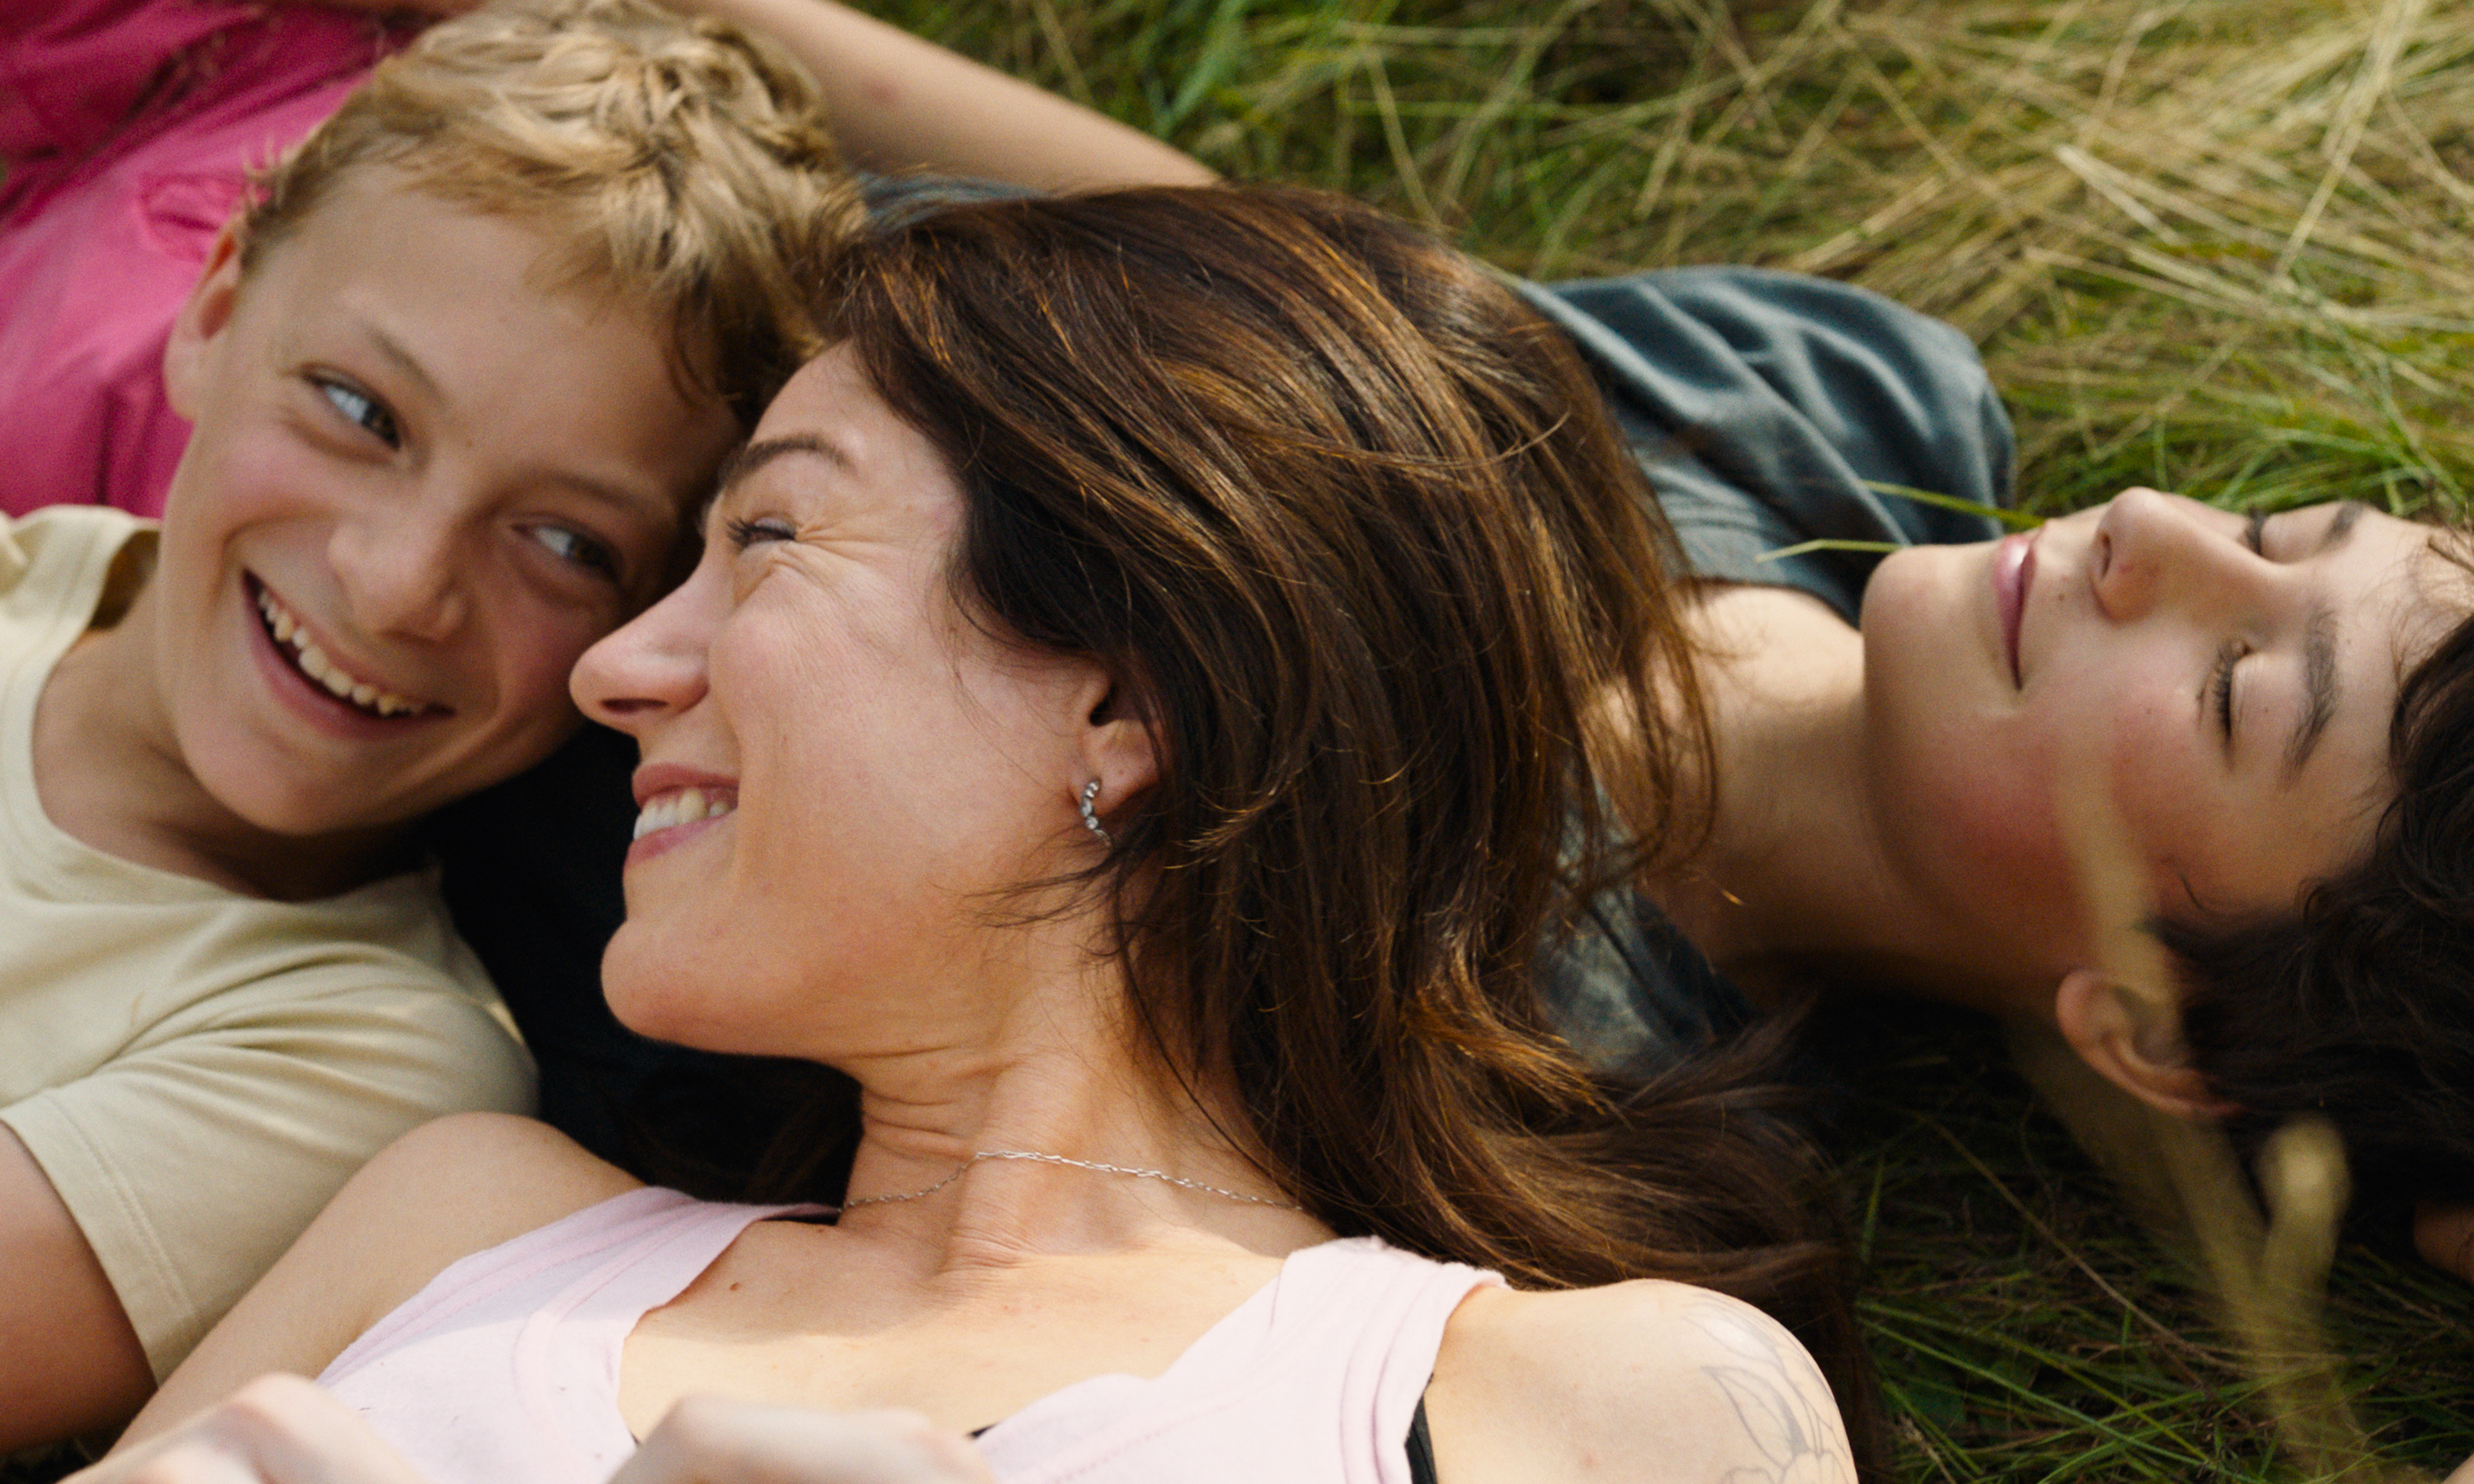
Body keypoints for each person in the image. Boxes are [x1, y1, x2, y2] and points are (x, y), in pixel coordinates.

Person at [79, 184, 1870, 1484]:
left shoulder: (1593, 1407)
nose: (616, 668)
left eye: (768, 540)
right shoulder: (461, 1224)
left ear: (1129, 701)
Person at [0, 0, 1215, 1453]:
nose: (395, 584)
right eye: (358, 411)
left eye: (564, 544)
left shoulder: (356, 1055)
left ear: (651, 621)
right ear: (211, 317)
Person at [1517, 270, 2474, 1252]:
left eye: (2230, 690)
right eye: (2271, 534)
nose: (2144, 519)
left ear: (2151, 1029)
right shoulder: (1848, 406)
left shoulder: (1568, 1154)